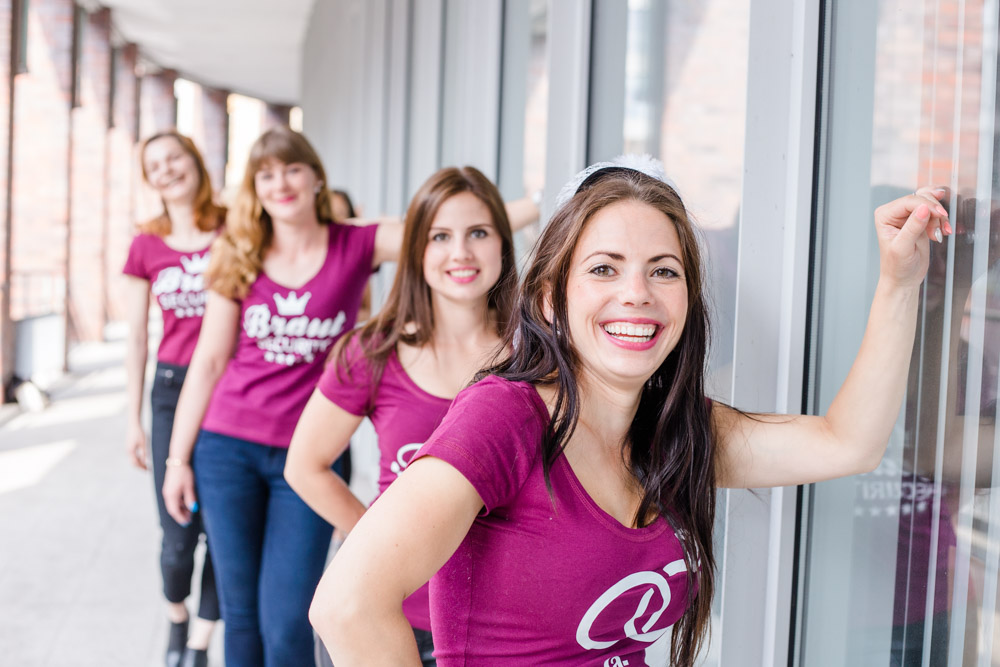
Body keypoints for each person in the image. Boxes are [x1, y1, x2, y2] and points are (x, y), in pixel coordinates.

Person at [309, 156, 952, 666]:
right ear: (551, 298)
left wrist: (899, 282)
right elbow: (347, 605)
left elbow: (848, 442)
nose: (637, 294)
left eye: (663, 272)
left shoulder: (676, 428)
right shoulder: (505, 416)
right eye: (604, 269)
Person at [160, 125, 402, 667]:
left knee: (290, 619)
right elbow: (209, 361)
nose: (281, 183)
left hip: (313, 456)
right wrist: (178, 460)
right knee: (241, 613)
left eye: (292, 168)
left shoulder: (355, 243)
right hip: (227, 450)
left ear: (316, 177)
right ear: (255, 188)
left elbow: (444, 229)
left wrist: (550, 198)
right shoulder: (240, 249)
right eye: (266, 175)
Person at [284, 166, 518, 665]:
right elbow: (304, 466)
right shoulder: (373, 350)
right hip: (389, 617)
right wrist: (374, 537)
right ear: (416, 250)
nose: (461, 252)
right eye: (440, 236)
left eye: (478, 233)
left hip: (503, 622)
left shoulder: (537, 358)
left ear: (503, 243)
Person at [122, 130, 224, 667]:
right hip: (170, 388)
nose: (166, 170)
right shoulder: (145, 244)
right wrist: (132, 420)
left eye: (174, 158)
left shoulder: (233, 229)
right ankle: (176, 616)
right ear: (150, 179)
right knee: (178, 531)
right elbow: (137, 338)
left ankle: (200, 643)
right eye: (154, 165)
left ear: (194, 162)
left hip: (229, 390)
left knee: (224, 527)